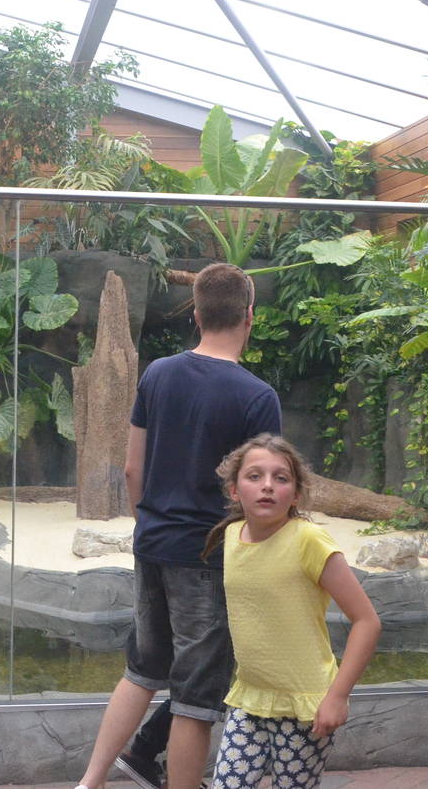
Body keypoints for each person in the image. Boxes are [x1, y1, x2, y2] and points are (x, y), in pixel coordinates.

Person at [73, 262, 281, 789]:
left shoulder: (158, 375)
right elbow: (262, 495)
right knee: (195, 697)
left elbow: (132, 469)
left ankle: (90, 782)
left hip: (153, 543)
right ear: (250, 315)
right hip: (209, 555)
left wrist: (150, 524)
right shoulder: (258, 396)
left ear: (196, 314)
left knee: (141, 671)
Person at [202, 434, 381, 789]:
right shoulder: (233, 536)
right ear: (235, 490)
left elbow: (367, 621)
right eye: (255, 476)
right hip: (249, 699)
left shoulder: (308, 540)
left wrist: (337, 697)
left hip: (304, 706)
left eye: (281, 478)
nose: (267, 485)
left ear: (296, 494)